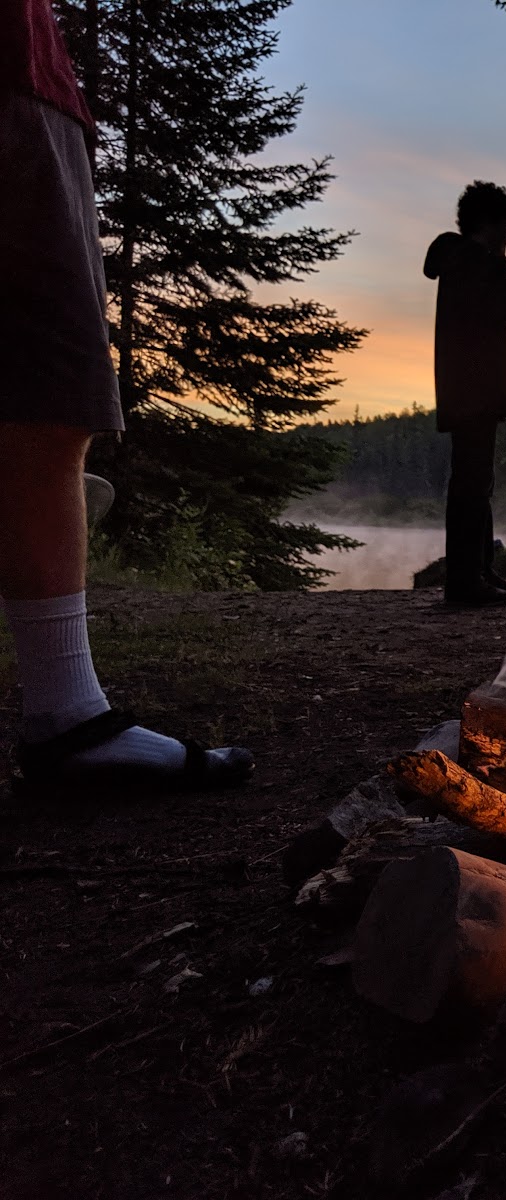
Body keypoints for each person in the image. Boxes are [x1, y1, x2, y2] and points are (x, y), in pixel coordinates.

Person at [1, 0, 253, 792]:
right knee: (48, 394)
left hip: (29, 73)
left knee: (49, 401)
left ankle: (65, 712)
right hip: (23, 88)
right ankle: (65, 713)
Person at [423, 181, 506, 607]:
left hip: (469, 388)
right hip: (473, 389)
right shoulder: (472, 261)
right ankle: (464, 584)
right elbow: (500, 310)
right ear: (487, 224)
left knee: (478, 482)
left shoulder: (468, 260)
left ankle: (479, 570)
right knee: (470, 485)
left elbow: (498, 305)